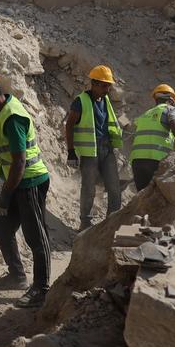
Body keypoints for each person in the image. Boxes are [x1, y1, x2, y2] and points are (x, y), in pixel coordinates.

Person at [0, 71, 52, 309]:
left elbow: (20, 162)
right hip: (16, 182)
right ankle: (17, 275)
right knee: (1, 228)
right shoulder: (0, 109)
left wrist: (5, 196)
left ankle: (42, 288)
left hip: (29, 182)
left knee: (36, 236)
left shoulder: (13, 118)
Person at [64, 65, 124, 230]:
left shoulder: (105, 100)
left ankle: (111, 225)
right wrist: (71, 152)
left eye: (109, 85)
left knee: (114, 188)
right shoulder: (80, 101)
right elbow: (69, 126)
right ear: (94, 84)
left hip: (107, 149)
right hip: (90, 151)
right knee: (89, 188)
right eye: (104, 85)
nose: (108, 89)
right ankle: (85, 223)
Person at [129, 84, 175, 190]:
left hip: (137, 161)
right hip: (156, 159)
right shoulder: (171, 109)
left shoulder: (146, 114)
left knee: (142, 197)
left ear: (155, 98)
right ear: (171, 99)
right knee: (156, 197)